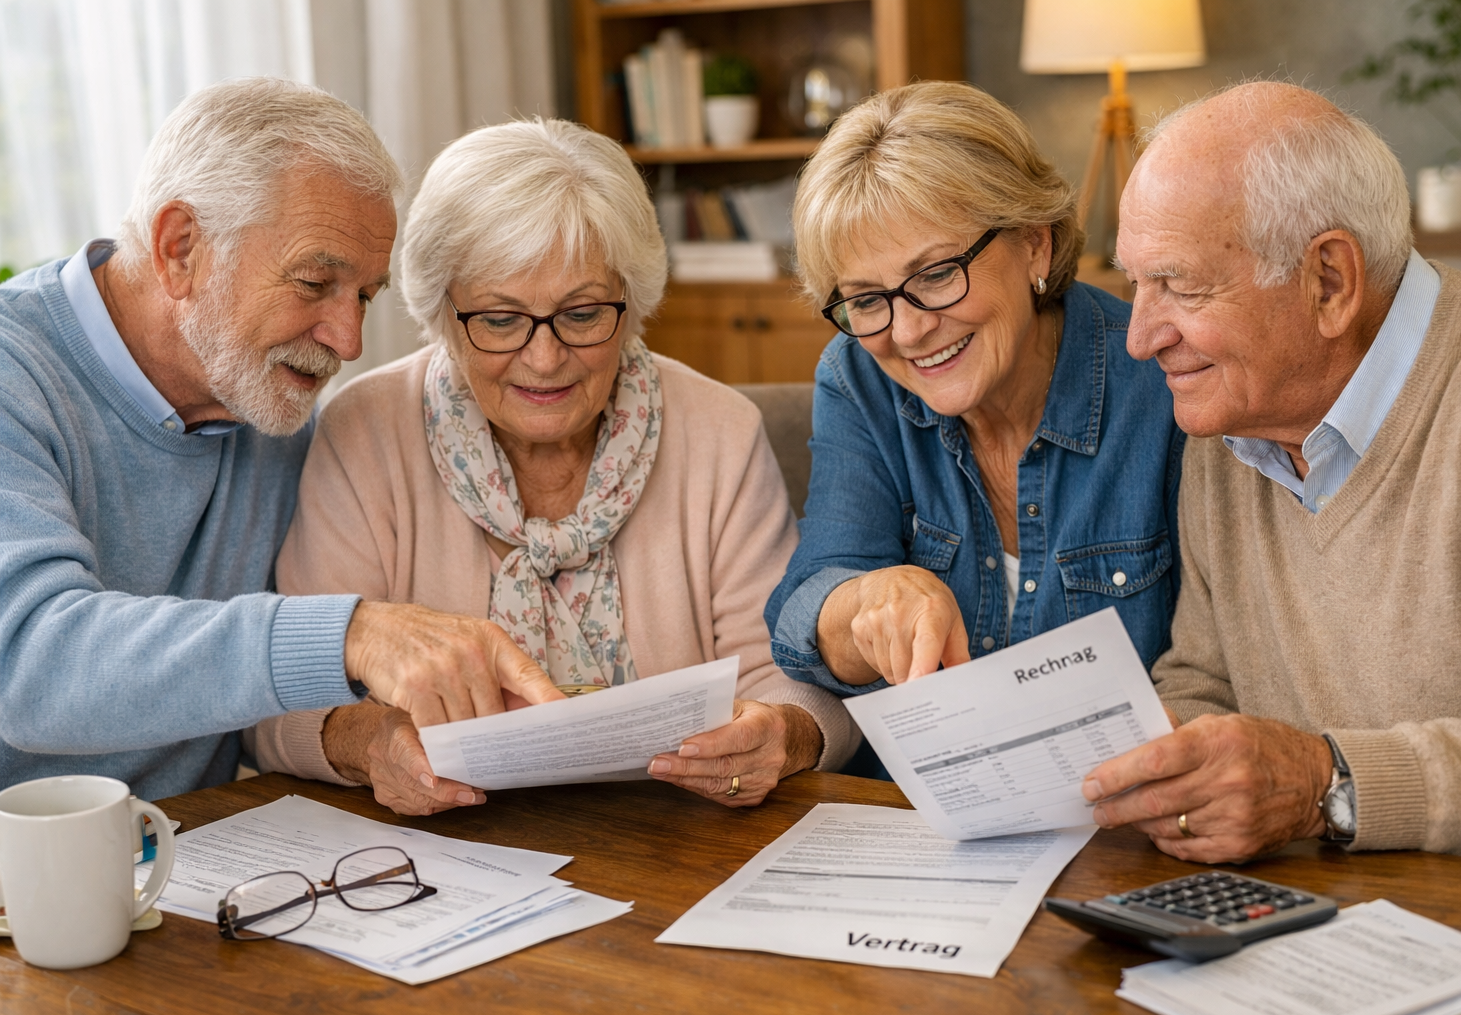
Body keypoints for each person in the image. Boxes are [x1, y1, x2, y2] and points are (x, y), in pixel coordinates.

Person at [246, 118, 860, 815]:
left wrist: (783, 733)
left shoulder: (719, 431)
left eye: (583, 312)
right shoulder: (365, 430)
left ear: (632, 304)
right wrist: (371, 742)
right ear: (443, 314)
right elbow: (278, 707)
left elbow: (803, 682)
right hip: (443, 856)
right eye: (501, 319)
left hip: (678, 846)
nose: (545, 358)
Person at [0, 79, 562, 802]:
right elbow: (31, 667)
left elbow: (248, 695)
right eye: (313, 282)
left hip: (193, 855)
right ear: (180, 248)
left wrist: (373, 742)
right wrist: (353, 632)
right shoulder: (17, 369)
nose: (349, 340)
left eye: (363, 295)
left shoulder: (269, 398)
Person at [1091, 81, 1461, 865]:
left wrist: (1323, 783)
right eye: (1136, 284)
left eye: (1181, 285)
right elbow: (1204, 680)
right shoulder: (1233, 417)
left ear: (1329, 280)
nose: (1141, 336)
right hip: (1306, 923)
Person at [765, 81, 1184, 778]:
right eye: (867, 299)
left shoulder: (1161, 380)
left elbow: (1221, 665)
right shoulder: (858, 375)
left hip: (1127, 819)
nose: (907, 330)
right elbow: (807, 608)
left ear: (1034, 247)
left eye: (936, 274)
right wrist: (867, 600)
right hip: (917, 830)